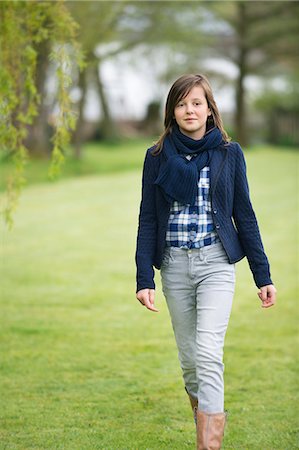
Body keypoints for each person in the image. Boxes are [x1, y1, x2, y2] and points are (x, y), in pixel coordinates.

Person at [135, 74, 276, 450]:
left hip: (216, 263)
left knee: (209, 353)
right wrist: (143, 278)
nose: (189, 110)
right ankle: (204, 418)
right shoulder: (156, 156)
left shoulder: (229, 154)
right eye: (181, 104)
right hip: (175, 267)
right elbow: (148, 218)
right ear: (172, 111)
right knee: (191, 363)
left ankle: (208, 446)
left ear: (210, 109)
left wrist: (262, 274)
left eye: (196, 102)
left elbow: (244, 214)